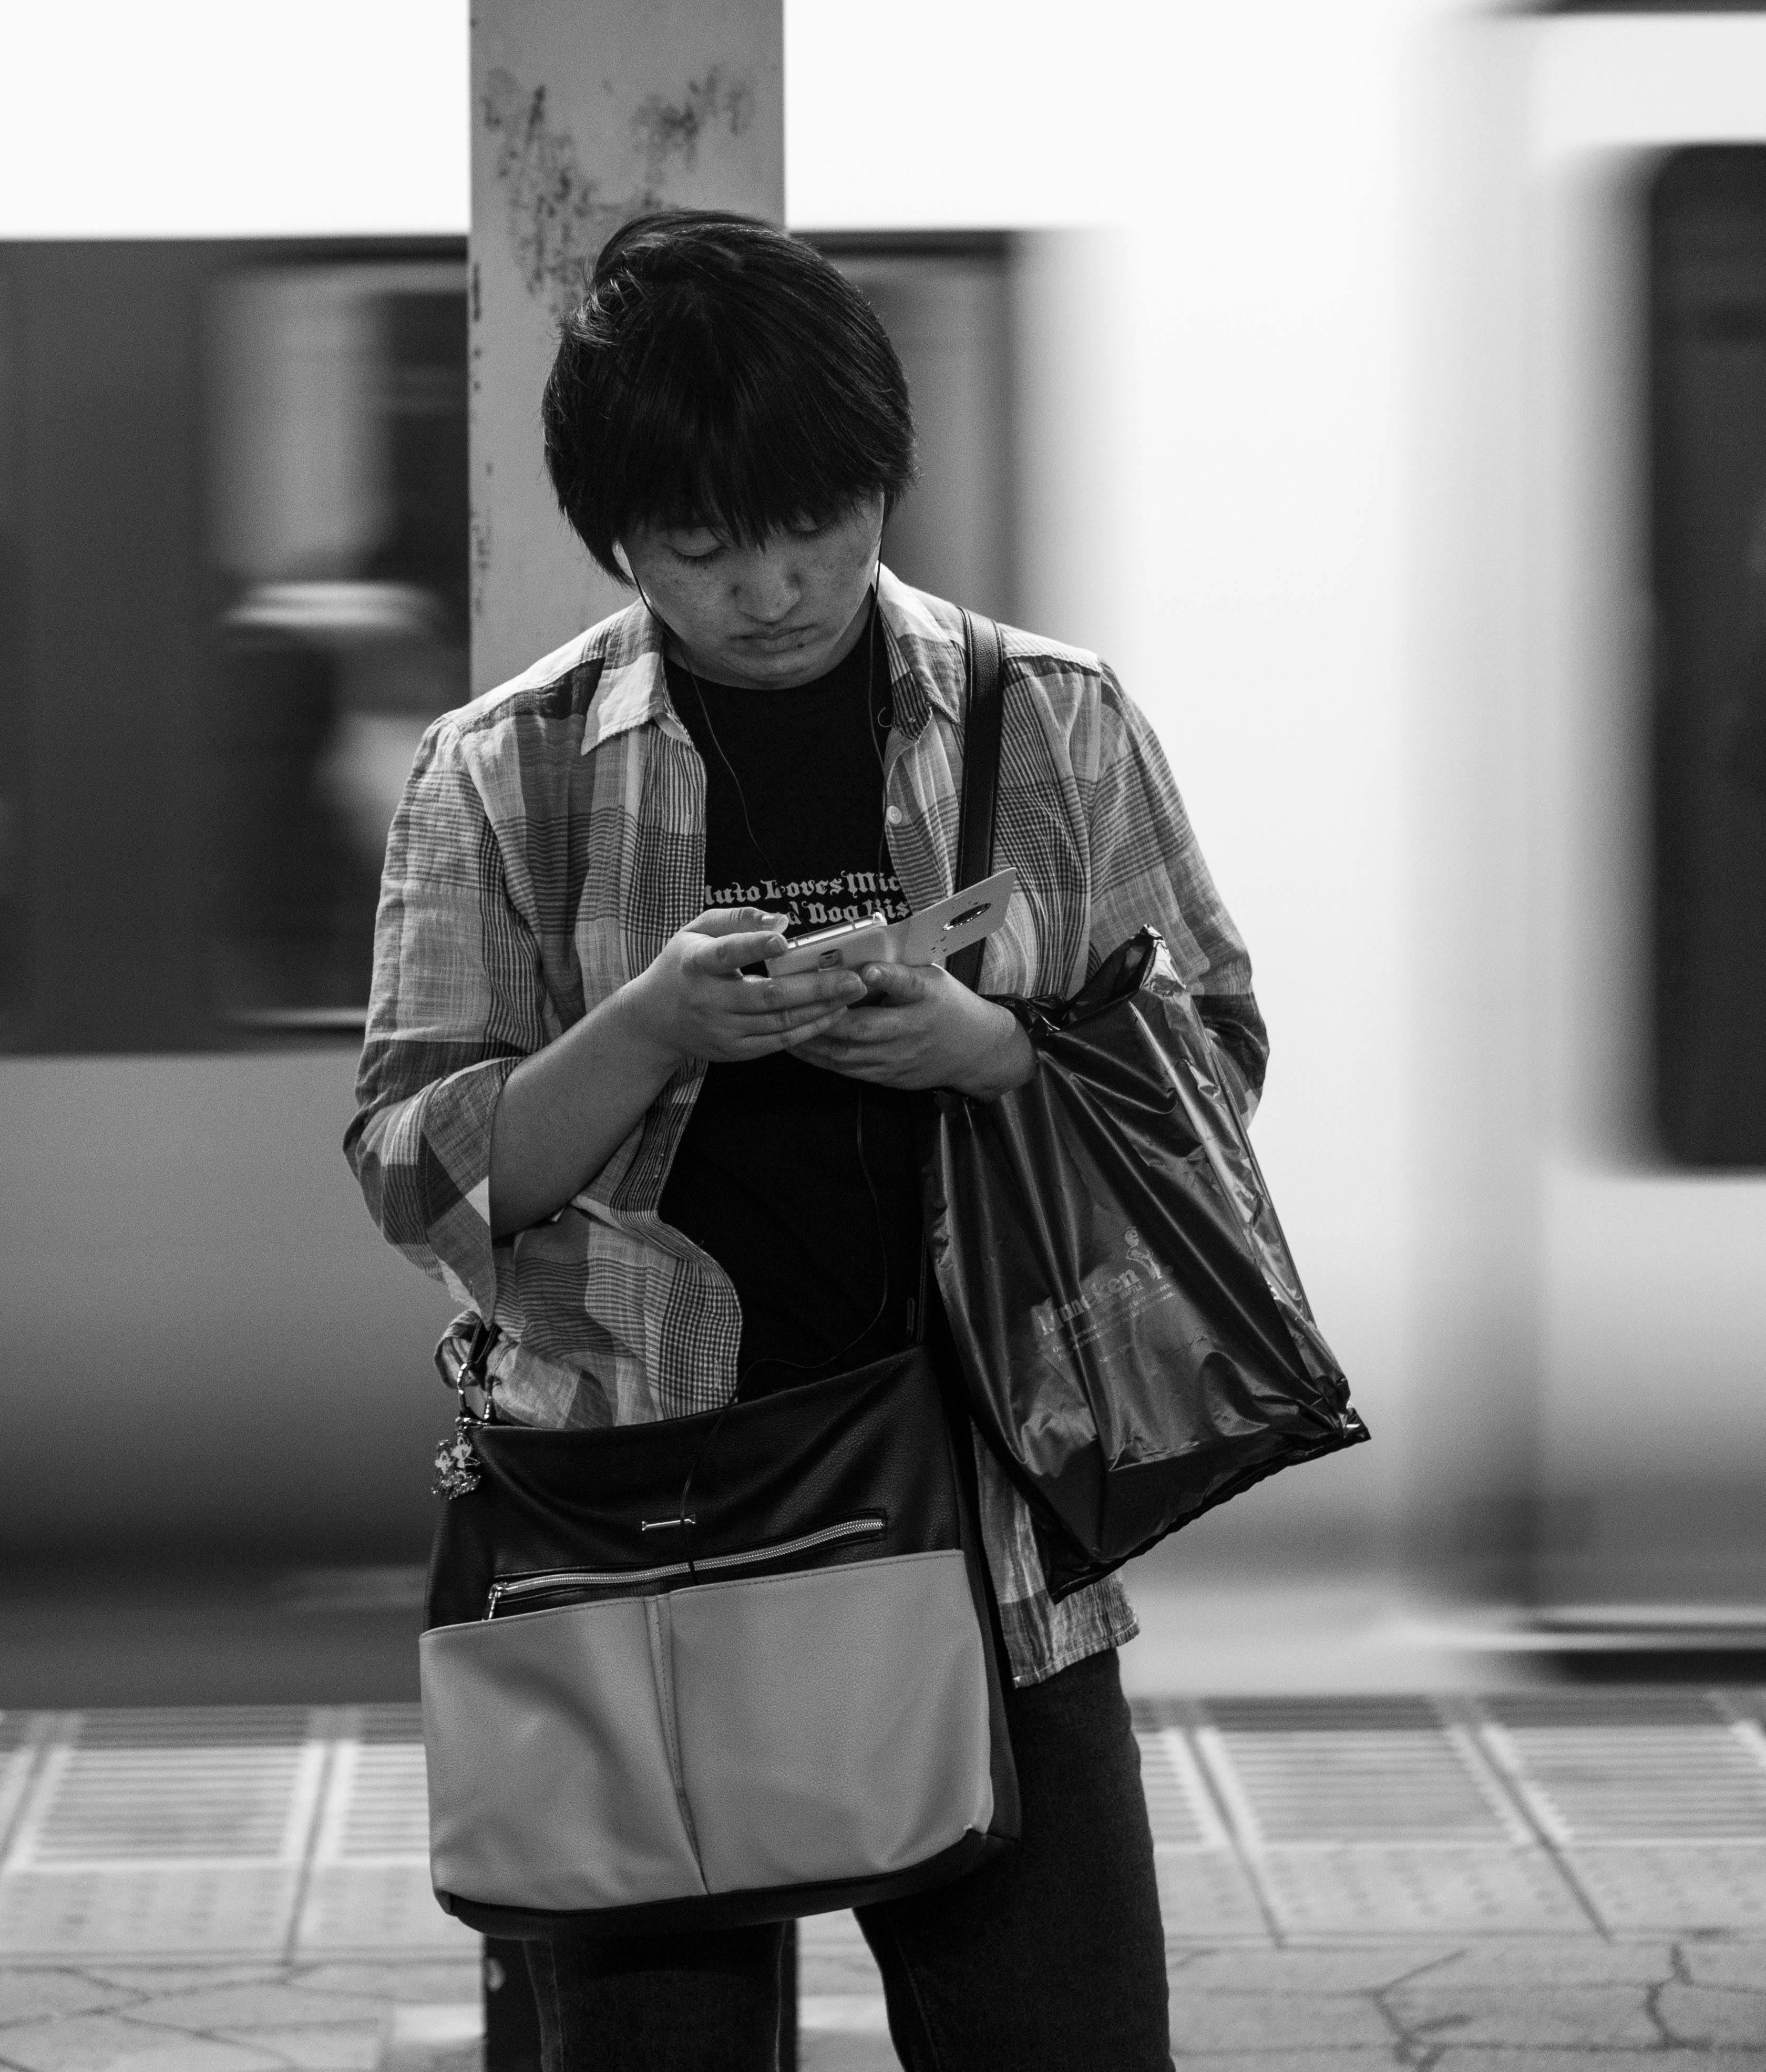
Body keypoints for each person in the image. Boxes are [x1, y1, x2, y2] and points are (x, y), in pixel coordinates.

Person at [345, 210, 1268, 2072]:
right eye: (703, 548)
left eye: (819, 526)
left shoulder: (1049, 719)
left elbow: (1216, 1064)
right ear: (618, 543)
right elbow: (413, 1169)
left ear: (879, 484)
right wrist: (651, 1027)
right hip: (639, 1532)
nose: (773, 585)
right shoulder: (502, 769)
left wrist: (992, 1049)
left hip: (995, 1522)